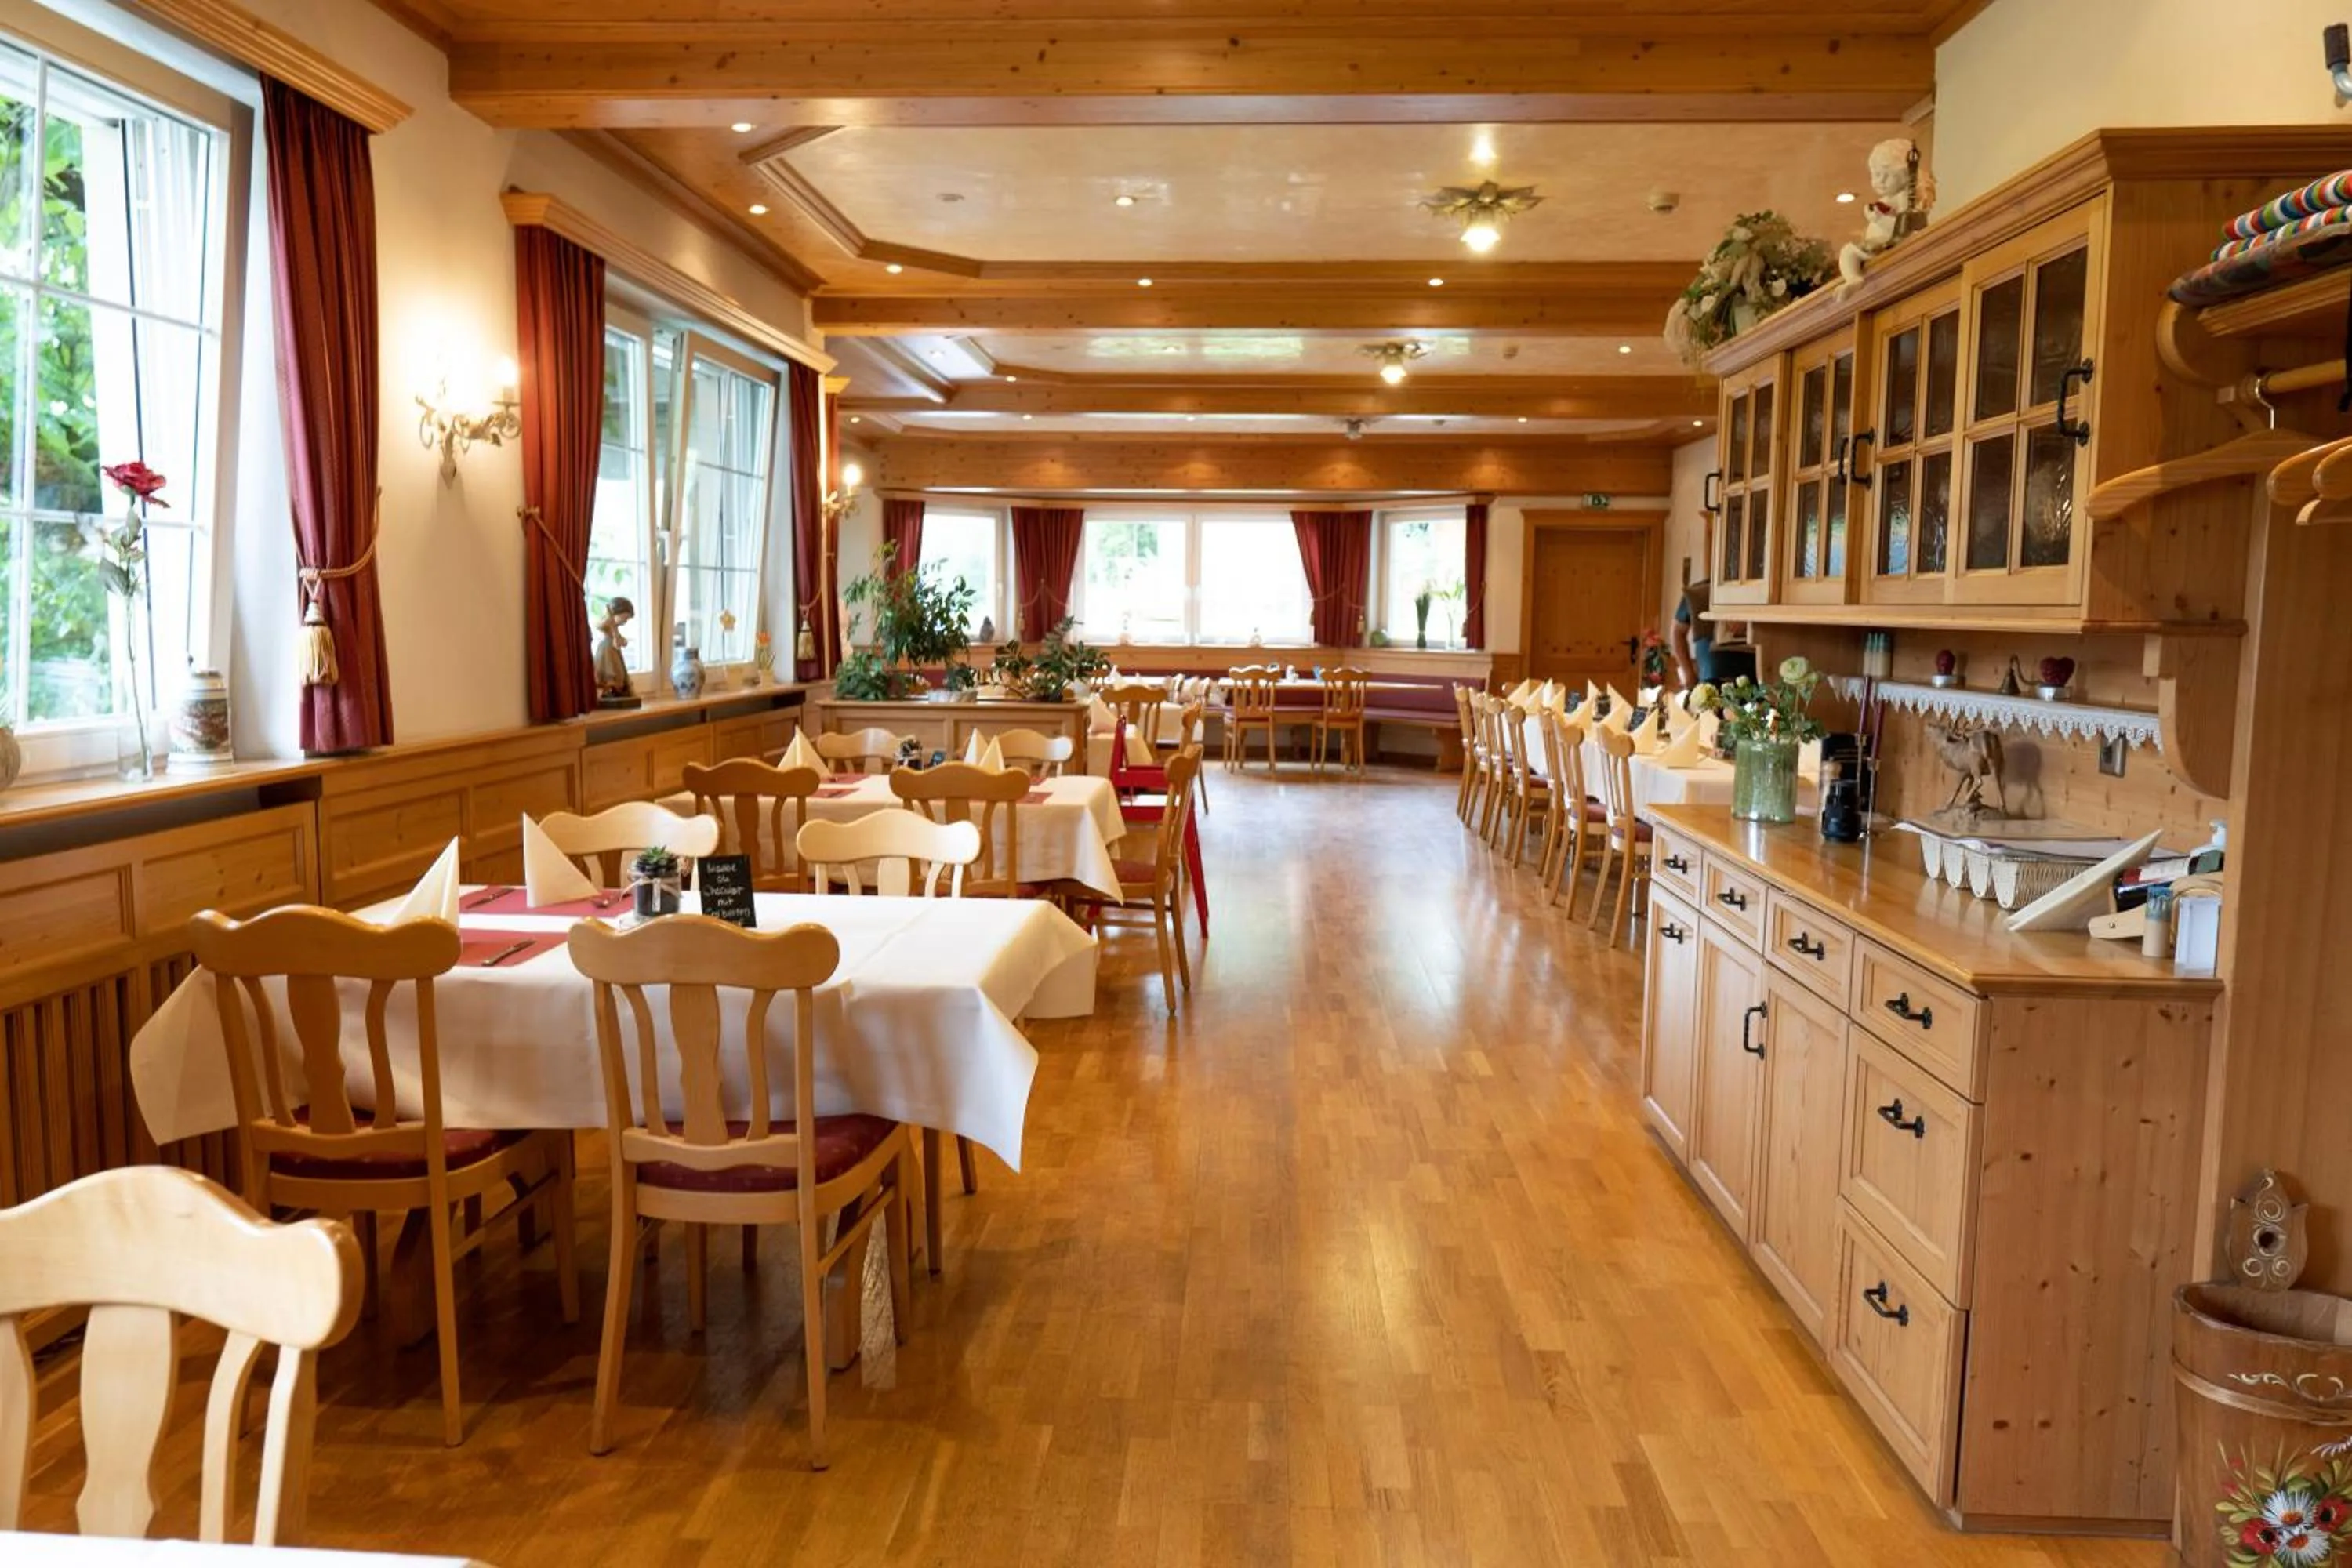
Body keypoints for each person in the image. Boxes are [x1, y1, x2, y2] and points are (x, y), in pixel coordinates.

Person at [1671, 578, 1756, 688]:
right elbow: (1677, 632)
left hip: (1750, 671)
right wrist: (1688, 673)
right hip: (1712, 674)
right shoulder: (1699, 591)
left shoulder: (1755, 587)